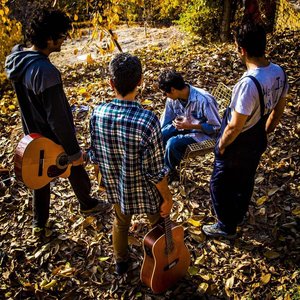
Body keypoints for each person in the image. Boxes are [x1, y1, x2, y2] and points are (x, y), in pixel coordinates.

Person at [5, 9, 110, 237]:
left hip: (32, 136)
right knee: (75, 167)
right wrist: (73, 151)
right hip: (52, 138)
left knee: (39, 178)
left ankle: (39, 225)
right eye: (62, 36)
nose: (65, 40)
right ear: (49, 40)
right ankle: (87, 204)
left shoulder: (16, 57)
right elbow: (58, 119)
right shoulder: (45, 72)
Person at [202, 22, 289, 239]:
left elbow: (234, 125)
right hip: (257, 137)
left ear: (242, 50)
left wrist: (221, 145)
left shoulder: (248, 83)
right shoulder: (279, 72)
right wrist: (264, 133)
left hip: (238, 142)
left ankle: (225, 226)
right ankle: (238, 215)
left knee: (220, 183)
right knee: (245, 179)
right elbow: (277, 112)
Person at [90, 53, 173, 275]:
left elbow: (95, 156)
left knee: (120, 222)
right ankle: (159, 259)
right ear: (140, 81)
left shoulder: (97, 114)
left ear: (111, 83)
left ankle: (121, 262)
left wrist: (103, 182)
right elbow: (155, 172)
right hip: (147, 192)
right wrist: (167, 198)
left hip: (118, 189)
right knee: (158, 223)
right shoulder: (148, 121)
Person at [158, 70, 221, 180]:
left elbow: (216, 128)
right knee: (162, 134)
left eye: (165, 93)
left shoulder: (204, 100)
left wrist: (191, 125)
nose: (165, 96)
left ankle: (169, 171)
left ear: (173, 89)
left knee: (173, 143)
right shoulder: (172, 99)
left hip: (203, 134)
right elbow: (165, 120)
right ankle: (160, 164)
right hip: (185, 127)